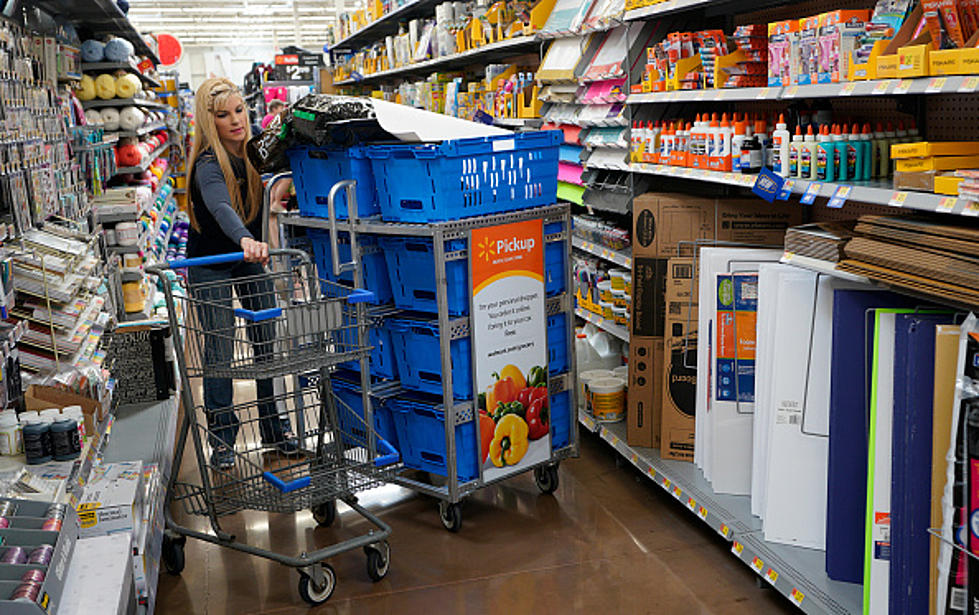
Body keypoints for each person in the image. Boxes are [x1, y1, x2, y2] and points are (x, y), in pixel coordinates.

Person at [186, 77, 298, 470]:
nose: (235, 120)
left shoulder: (256, 153)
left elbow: (288, 167)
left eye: (239, 110)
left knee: (267, 339)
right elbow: (220, 207)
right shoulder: (207, 164)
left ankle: (273, 428)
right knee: (220, 350)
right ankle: (222, 438)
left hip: (248, 260)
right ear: (208, 121)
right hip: (210, 264)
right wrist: (244, 239)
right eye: (223, 115)